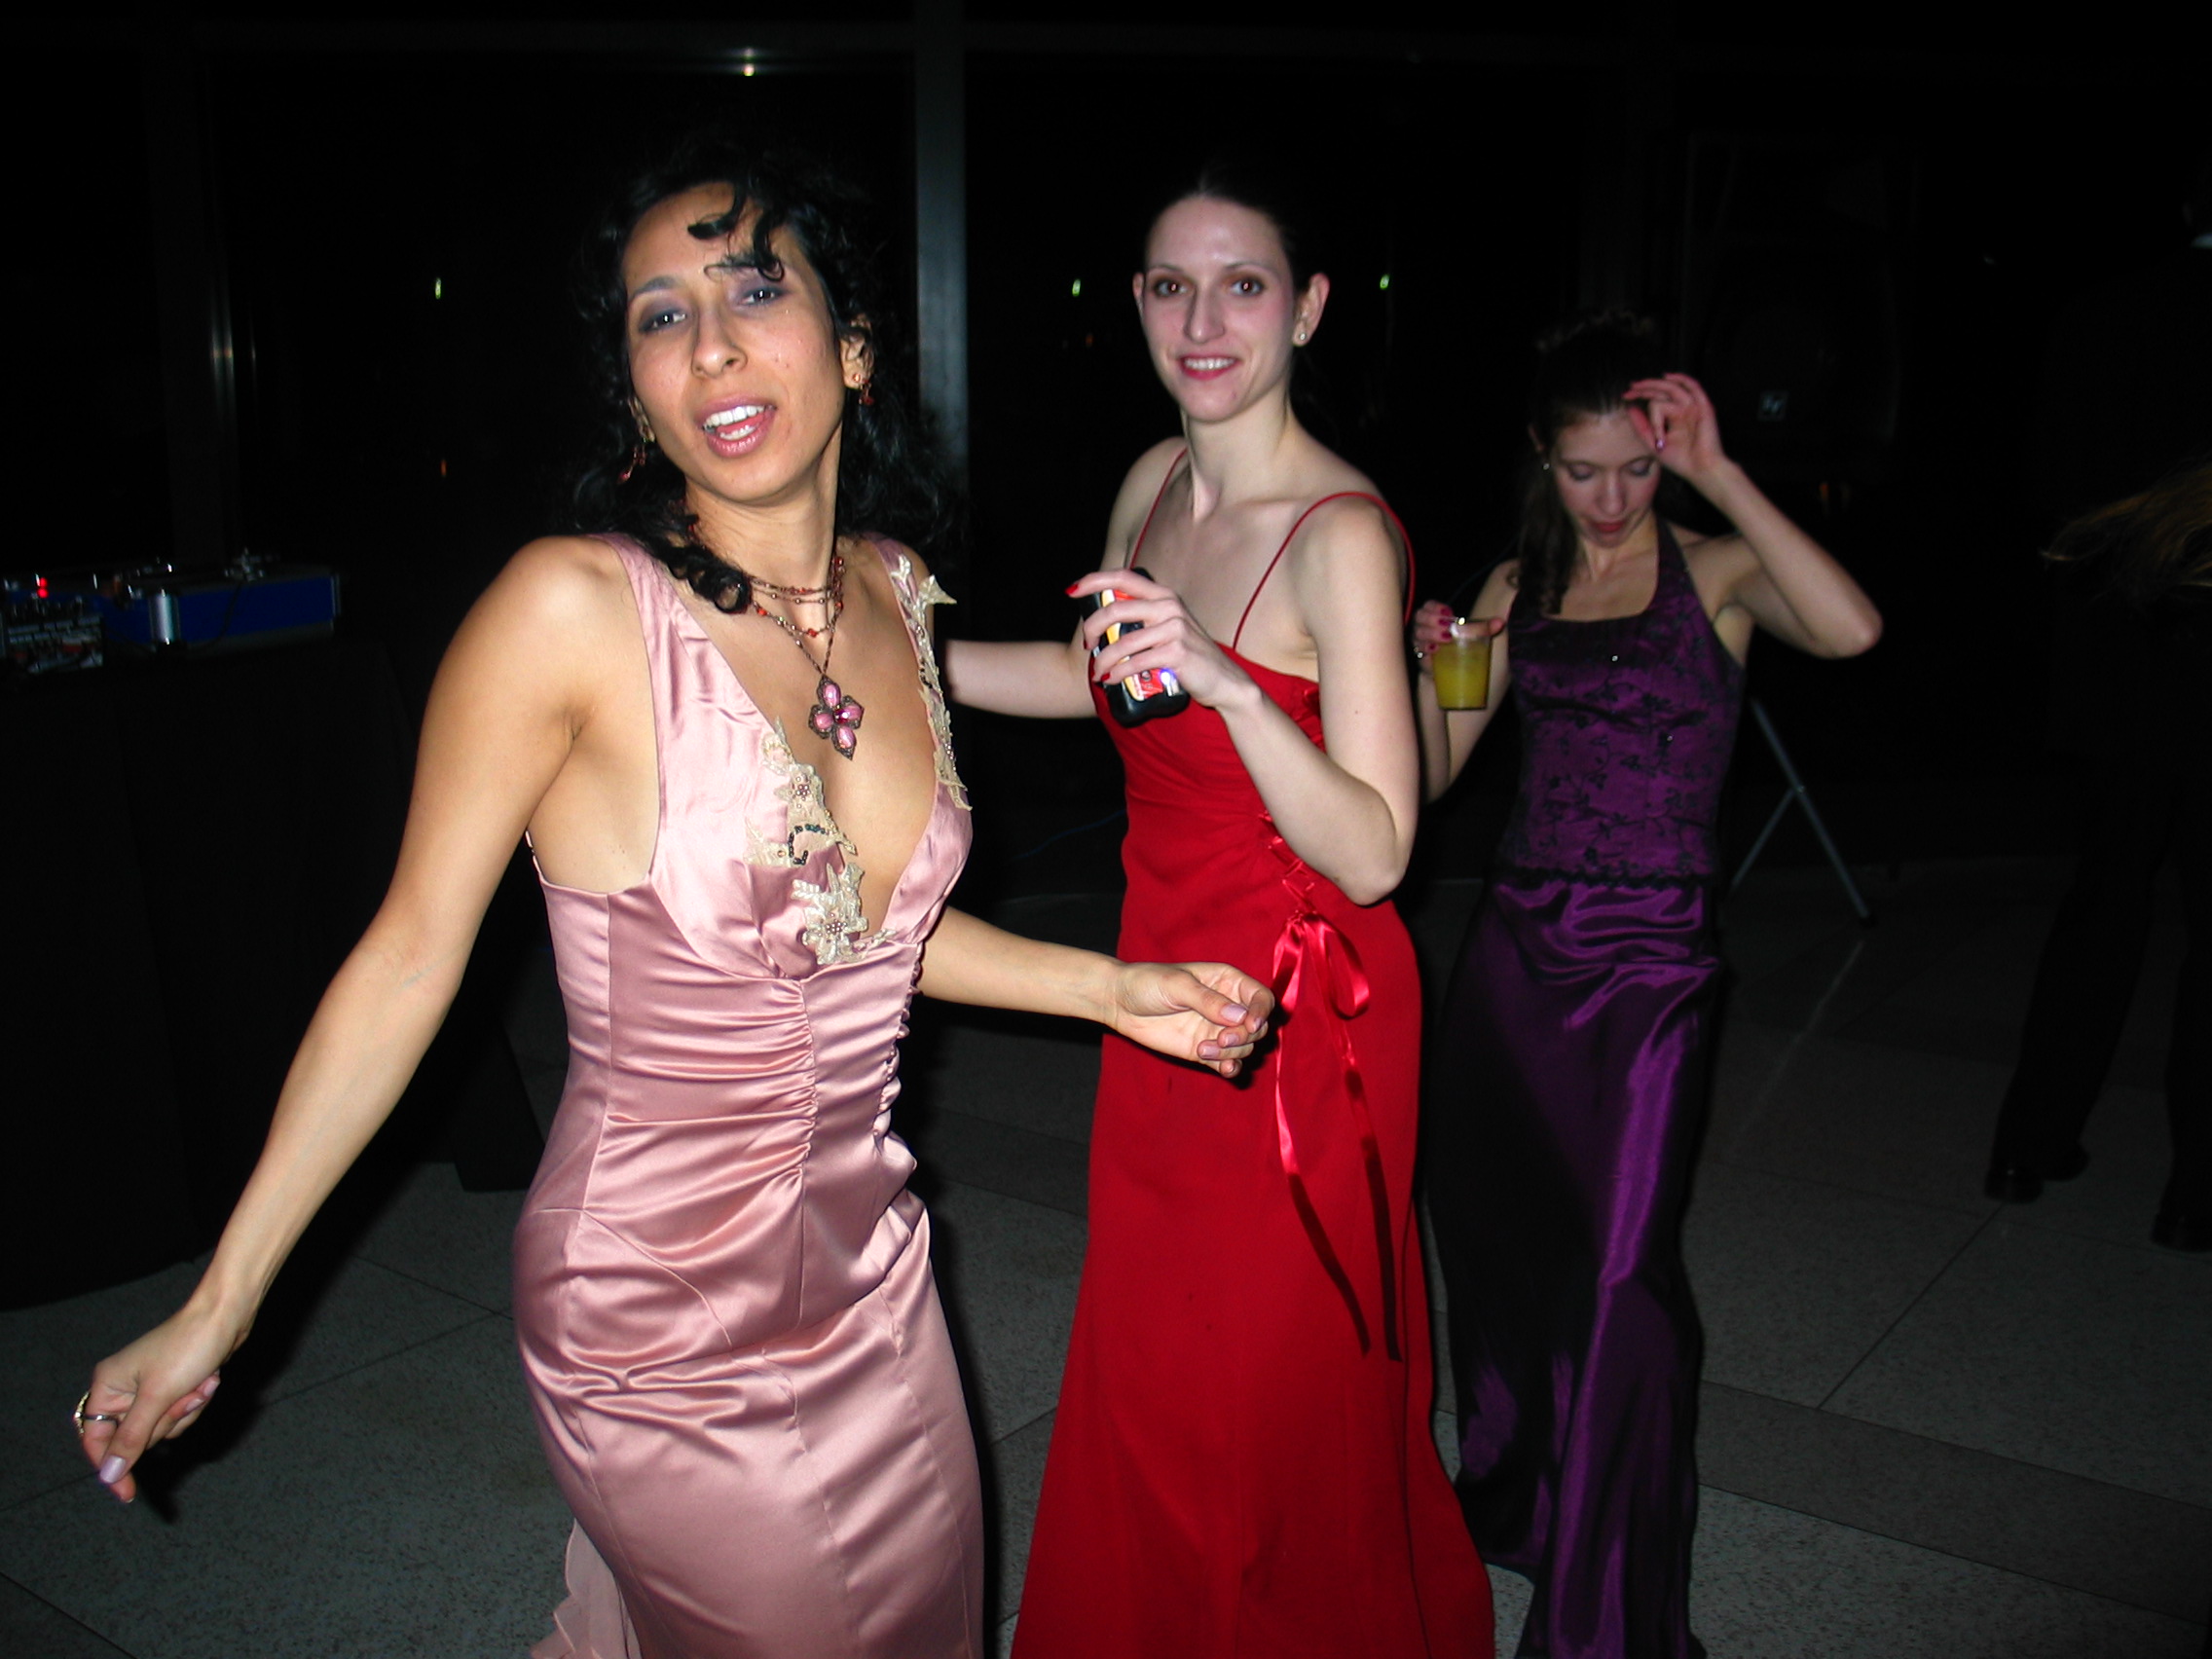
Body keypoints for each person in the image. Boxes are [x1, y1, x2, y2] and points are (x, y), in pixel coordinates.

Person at [76, 141, 1275, 1659]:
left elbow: (866, 938)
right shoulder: (570, 612)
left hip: (875, 1277)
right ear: (635, 390)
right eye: (662, 314)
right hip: (656, 1312)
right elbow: (406, 964)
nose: (710, 344)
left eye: (756, 290)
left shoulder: (896, 593)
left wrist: (1109, 988)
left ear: (853, 348)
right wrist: (224, 1301)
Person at [943, 163, 1493, 1658]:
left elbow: (1378, 850)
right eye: (1173, 287)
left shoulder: (1343, 536)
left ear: (1306, 310)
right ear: (1135, 304)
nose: (1204, 321)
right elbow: (1098, 681)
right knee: (1158, 1365)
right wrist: (899, 656)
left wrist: (1238, 685)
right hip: (1159, 990)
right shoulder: (1149, 485)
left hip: (1306, 1019)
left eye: (1243, 285)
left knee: (1268, 1385)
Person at [1412, 313, 1881, 1659]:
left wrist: (1723, 474)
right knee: (1507, 1248)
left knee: (1624, 1274)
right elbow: (1436, 777)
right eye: (1583, 470)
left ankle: (1607, 1615)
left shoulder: (1715, 570)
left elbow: (1851, 630)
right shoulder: (1521, 580)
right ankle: (1524, 1491)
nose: (1612, 497)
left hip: (1655, 965)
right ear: (1540, 460)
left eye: (1636, 468)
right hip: (1516, 955)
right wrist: (1434, 664)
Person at [1982, 458, 2211, 1248]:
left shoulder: (2136, 500)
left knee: (2098, 913)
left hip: (2128, 697)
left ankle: (2027, 1146)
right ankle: (2195, 1197)